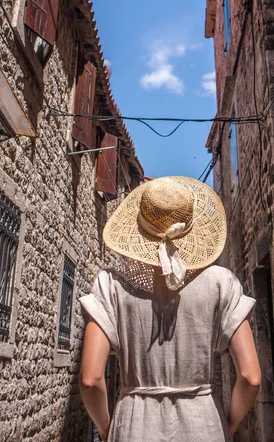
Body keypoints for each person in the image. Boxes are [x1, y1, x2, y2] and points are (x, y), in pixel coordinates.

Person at [79, 176, 261, 441]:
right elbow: (250, 378)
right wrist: (226, 427)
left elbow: (91, 380)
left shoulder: (111, 285)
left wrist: (108, 430)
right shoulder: (221, 283)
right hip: (204, 427)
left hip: (133, 428)